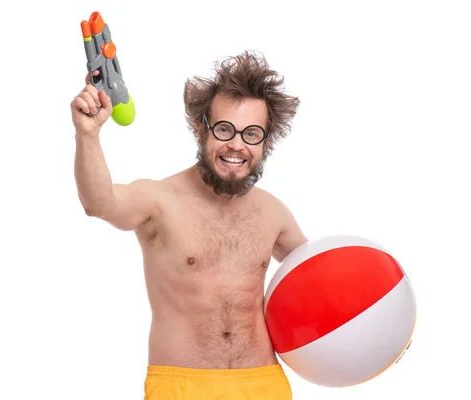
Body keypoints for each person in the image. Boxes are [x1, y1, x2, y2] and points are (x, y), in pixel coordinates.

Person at [71, 50, 308, 399]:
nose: (236, 145)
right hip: (181, 387)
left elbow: (320, 275)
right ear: (202, 129)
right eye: (225, 129)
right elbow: (99, 203)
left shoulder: (274, 212)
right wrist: (87, 136)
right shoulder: (159, 200)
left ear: (266, 140)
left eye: (252, 133)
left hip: (264, 385)